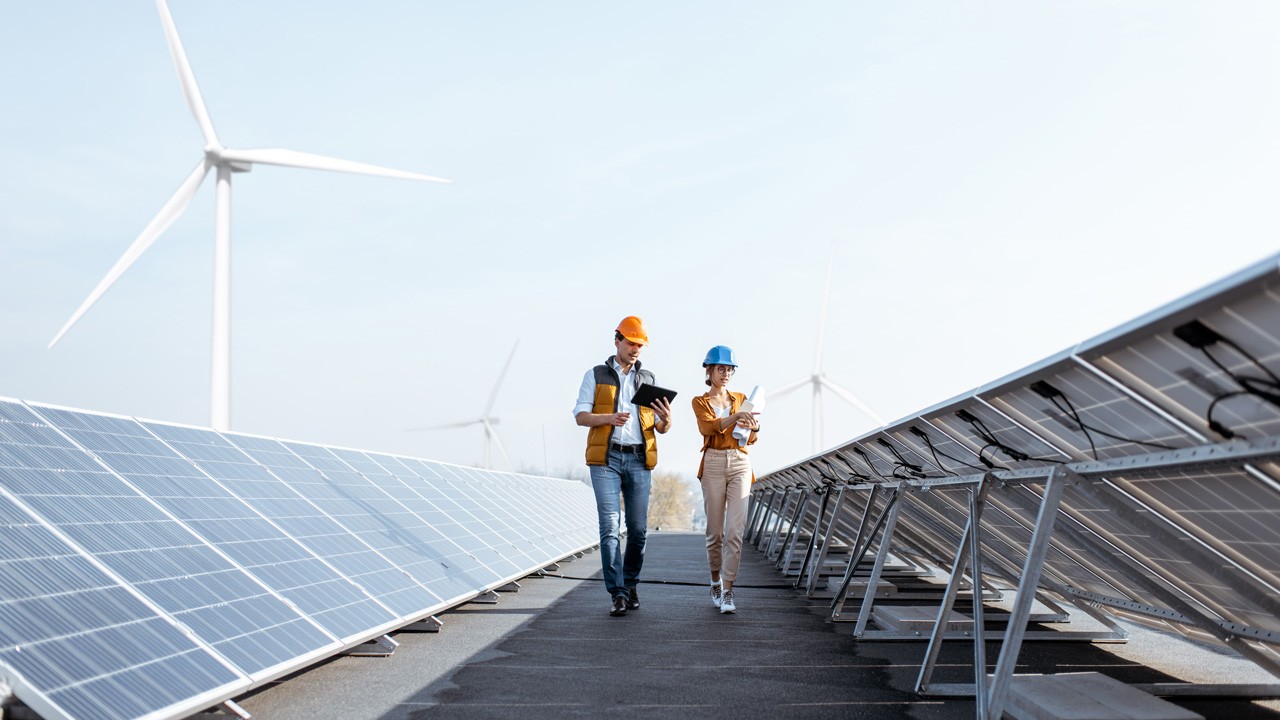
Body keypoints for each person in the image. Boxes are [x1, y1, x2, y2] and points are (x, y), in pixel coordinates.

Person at [574, 315, 673, 616]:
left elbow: (659, 426)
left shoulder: (648, 379)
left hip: (639, 459)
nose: (636, 349)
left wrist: (667, 420)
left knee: (639, 530)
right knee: (610, 527)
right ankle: (616, 592)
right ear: (617, 340)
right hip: (606, 458)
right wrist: (608, 418)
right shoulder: (596, 375)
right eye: (631, 343)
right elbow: (580, 416)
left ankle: (630, 584)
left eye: (640, 345)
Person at [691, 345, 759, 614]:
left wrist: (753, 428)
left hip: (740, 462)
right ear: (709, 371)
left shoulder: (741, 398)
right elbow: (707, 427)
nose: (726, 373)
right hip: (713, 463)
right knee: (715, 532)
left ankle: (729, 590)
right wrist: (735, 417)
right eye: (721, 368)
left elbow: (751, 438)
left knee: (735, 532)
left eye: (730, 369)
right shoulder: (700, 401)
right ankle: (715, 580)